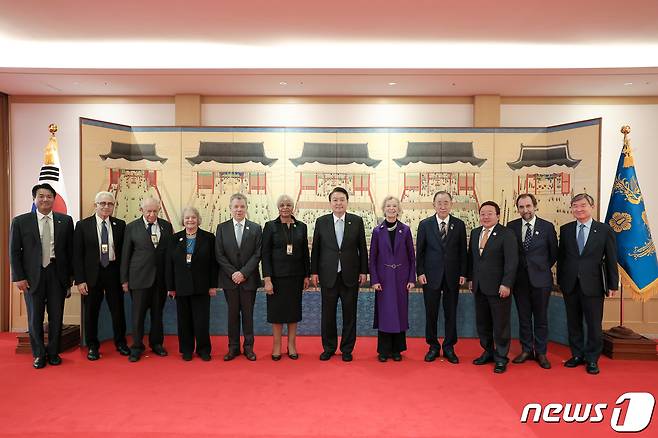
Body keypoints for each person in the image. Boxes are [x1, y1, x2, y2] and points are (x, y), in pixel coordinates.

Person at [10, 183, 74, 368]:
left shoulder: (66, 221)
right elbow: (14, 252)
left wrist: (70, 277)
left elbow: (70, 252)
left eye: (48, 196)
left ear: (54, 199)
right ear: (34, 199)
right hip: (32, 277)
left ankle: (54, 352)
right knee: (34, 318)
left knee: (56, 316)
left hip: (57, 275)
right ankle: (38, 354)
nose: (45, 199)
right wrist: (19, 277)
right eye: (41, 196)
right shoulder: (21, 222)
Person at [557, 193, 618, 375]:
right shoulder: (566, 229)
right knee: (573, 323)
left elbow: (611, 259)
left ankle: (592, 359)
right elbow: (562, 258)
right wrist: (560, 280)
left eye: (583, 205)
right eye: (575, 206)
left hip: (594, 284)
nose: (579, 209)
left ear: (591, 207)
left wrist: (613, 285)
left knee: (593, 324)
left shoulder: (604, 230)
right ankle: (577, 355)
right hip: (570, 284)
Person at [311, 187, 368, 362]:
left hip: (350, 275)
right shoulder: (322, 222)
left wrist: (364, 271)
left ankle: (347, 349)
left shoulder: (356, 221)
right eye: (335, 200)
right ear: (330, 203)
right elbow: (316, 249)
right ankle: (328, 348)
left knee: (349, 314)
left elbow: (362, 249)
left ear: (347, 202)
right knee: (327, 314)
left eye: (342, 199)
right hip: (328, 275)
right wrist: (313, 272)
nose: (338, 203)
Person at [73, 191, 129, 360]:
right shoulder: (82, 225)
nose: (106, 206)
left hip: (113, 272)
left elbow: (124, 254)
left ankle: (120, 343)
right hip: (92, 274)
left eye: (110, 204)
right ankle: (92, 346)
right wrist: (80, 280)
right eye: (102, 203)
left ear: (114, 206)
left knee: (118, 311)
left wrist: (124, 277)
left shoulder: (121, 225)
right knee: (91, 312)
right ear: (95, 205)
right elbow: (77, 255)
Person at [415, 191, 467, 364]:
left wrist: (462, 273)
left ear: (451, 204)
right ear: (434, 204)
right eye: (439, 203)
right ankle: (433, 346)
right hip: (430, 277)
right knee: (431, 313)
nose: (443, 206)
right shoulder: (425, 224)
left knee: (451, 313)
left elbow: (462, 252)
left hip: (452, 276)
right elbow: (420, 252)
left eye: (446, 202)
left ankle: (449, 347)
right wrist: (420, 272)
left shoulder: (459, 225)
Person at [507, 193, 558, 369]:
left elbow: (553, 255)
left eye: (528, 206)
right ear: (518, 209)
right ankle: (526, 350)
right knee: (524, 318)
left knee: (541, 318)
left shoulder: (547, 227)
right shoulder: (511, 226)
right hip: (519, 281)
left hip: (541, 281)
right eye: (521, 207)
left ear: (535, 206)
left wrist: (539, 269)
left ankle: (541, 352)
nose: (525, 210)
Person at [120, 196, 173, 362]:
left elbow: (169, 255)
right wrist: (124, 280)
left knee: (157, 314)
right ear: (141, 210)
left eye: (155, 211)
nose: (152, 214)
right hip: (139, 279)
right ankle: (136, 346)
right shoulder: (131, 228)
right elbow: (125, 255)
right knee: (138, 315)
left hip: (160, 281)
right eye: (148, 211)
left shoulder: (166, 226)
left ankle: (156, 344)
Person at [467, 201, 518, 374]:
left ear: (497, 215)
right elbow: (473, 259)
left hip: (499, 288)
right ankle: (488, 352)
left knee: (501, 324)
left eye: (490, 213)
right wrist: (472, 279)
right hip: (480, 287)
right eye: (482, 213)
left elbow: (512, 262)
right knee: (483, 323)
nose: (486, 216)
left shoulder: (506, 234)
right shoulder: (475, 233)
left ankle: (501, 357)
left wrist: (506, 283)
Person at [261, 195, 310, 360]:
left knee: (293, 312)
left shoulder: (301, 227)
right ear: (278, 207)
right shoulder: (270, 226)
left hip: (296, 277)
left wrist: (306, 275)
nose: (285, 207)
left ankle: (291, 345)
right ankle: (276, 346)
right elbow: (265, 254)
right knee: (276, 313)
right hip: (276, 278)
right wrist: (267, 279)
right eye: (282, 204)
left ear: (293, 207)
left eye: (288, 204)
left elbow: (305, 253)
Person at [166, 207, 218, 361]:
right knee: (184, 320)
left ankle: (203, 350)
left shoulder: (209, 238)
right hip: (181, 286)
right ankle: (187, 349)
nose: (190, 220)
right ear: (183, 220)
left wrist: (213, 285)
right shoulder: (174, 239)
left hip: (202, 286)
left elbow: (213, 264)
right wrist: (171, 287)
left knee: (202, 320)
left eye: (193, 217)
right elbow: (169, 265)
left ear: (198, 219)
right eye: (187, 218)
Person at [216, 193, 262, 361]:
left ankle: (249, 348)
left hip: (249, 280)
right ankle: (233, 347)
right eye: (235, 206)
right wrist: (233, 273)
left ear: (246, 208)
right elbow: (219, 254)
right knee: (233, 315)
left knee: (248, 315)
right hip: (230, 281)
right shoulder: (222, 228)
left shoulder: (256, 228)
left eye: (242, 206)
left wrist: (243, 273)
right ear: (230, 208)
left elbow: (258, 254)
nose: (239, 209)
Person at [369, 196, 415, 362]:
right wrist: (374, 279)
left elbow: (412, 257)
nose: (391, 208)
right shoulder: (377, 231)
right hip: (383, 279)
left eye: (394, 206)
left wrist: (411, 278)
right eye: (388, 205)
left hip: (402, 279)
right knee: (385, 314)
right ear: (384, 208)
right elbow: (372, 258)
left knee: (400, 314)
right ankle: (384, 350)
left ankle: (397, 350)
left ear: (398, 209)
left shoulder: (406, 230)